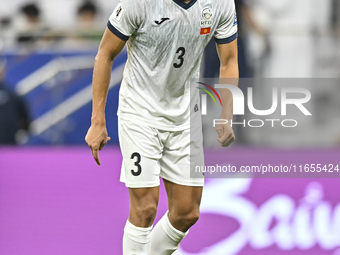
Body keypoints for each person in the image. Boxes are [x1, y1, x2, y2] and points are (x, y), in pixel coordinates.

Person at [85, 0, 239, 254]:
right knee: (145, 208)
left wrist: (226, 113)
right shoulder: (139, 3)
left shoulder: (220, 3)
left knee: (187, 212)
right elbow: (105, 54)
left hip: (185, 115)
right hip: (140, 113)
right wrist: (97, 120)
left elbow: (229, 60)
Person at [0, 58, 30, 145]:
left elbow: (24, 116)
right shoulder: (13, 94)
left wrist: (25, 129)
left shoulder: (13, 95)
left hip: (9, 141)